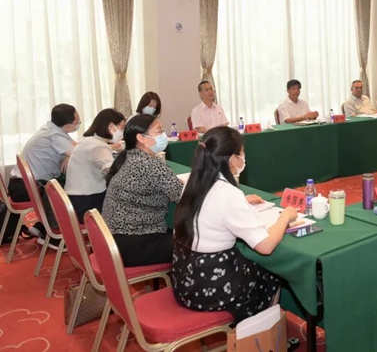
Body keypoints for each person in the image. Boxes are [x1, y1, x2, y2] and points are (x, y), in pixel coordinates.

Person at [171, 127, 298, 321]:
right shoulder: (229, 194)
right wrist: (285, 218)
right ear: (232, 159)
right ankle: (264, 332)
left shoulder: (193, 182)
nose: (244, 158)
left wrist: (242, 203)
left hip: (183, 277)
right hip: (210, 286)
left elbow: (210, 207)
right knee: (270, 273)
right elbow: (265, 246)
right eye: (242, 153)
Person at [102, 114, 183, 267]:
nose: (163, 135)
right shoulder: (151, 164)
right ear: (141, 138)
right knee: (198, 245)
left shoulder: (127, 157)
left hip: (112, 240)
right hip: (135, 244)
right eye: (159, 131)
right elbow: (184, 197)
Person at [6, 104, 80, 244]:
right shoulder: (55, 136)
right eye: (77, 121)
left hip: (20, 185)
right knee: (66, 190)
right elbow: (81, 154)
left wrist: (68, 155)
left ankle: (41, 226)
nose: (79, 123)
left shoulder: (52, 129)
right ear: (67, 125)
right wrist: (70, 154)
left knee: (62, 183)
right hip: (25, 189)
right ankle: (53, 235)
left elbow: (76, 148)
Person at [64, 108, 125, 223]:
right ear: (111, 127)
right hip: (87, 204)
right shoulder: (99, 146)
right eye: (121, 127)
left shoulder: (88, 141)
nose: (122, 132)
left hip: (75, 200)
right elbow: (114, 174)